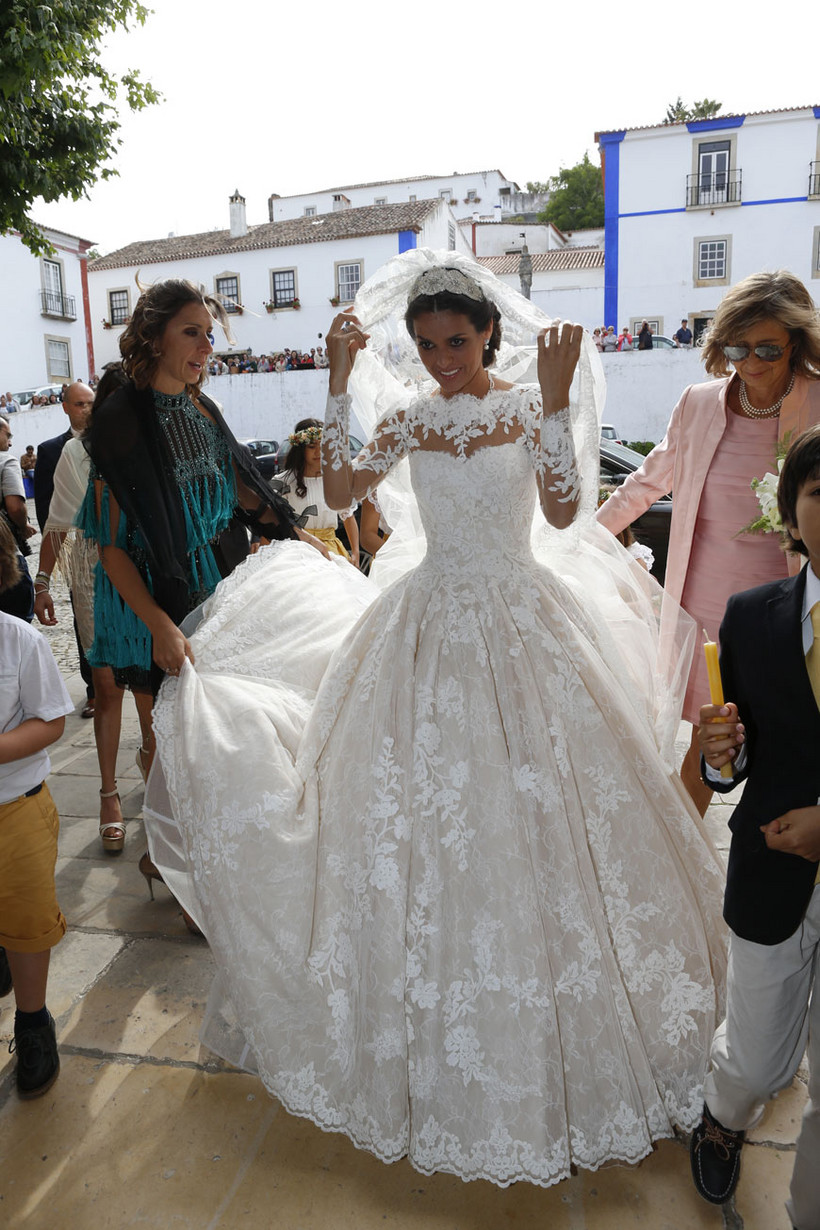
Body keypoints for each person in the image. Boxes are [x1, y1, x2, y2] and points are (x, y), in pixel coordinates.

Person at [144, 249, 726, 1189]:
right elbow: (338, 495)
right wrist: (336, 384)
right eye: (424, 345)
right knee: (404, 832)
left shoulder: (524, 400)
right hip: (420, 627)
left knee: (544, 826)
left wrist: (550, 400)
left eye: (456, 340)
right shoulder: (413, 414)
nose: (441, 357)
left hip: (520, 619)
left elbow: (566, 507)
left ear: (489, 331)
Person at [77, 279, 300, 910]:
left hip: (211, 581)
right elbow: (111, 547)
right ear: (153, 336)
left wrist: (290, 533)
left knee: (208, 730)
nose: (207, 346)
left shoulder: (203, 408)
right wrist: (158, 625)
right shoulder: (119, 421)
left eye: (210, 333)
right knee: (170, 736)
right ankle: (174, 859)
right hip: (149, 596)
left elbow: (243, 485)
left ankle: (183, 853)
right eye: (192, 333)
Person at [598, 270, 820, 815]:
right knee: (708, 732)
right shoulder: (698, 402)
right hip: (704, 604)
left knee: (791, 732)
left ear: (797, 341)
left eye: (768, 347)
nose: (751, 361)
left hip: (795, 603)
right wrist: (584, 539)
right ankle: (685, 860)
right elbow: (649, 480)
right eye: (736, 346)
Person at [691, 424, 820, 1229]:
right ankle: (721, 1116)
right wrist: (716, 758)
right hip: (771, 879)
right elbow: (734, 760)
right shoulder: (750, 616)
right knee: (756, 1055)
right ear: (794, 515)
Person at [34, 365, 154, 853]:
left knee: (148, 689)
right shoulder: (75, 452)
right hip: (89, 568)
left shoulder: (152, 446)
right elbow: (57, 524)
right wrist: (42, 582)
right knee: (106, 687)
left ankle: (158, 786)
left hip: (142, 568)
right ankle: (109, 795)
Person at [0, 517, 74, 1099]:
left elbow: (51, 719)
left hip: (15, 810)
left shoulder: (19, 642)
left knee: (27, 921)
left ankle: (32, 1022)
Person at [34, 381, 96, 717]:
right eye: (79, 404)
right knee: (82, 619)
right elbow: (48, 511)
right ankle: (94, 689)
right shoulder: (51, 449)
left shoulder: (111, 442)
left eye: (90, 403)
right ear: (66, 407)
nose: (86, 410)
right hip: (77, 548)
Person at [273, 418, 359, 564]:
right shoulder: (283, 482)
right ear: (300, 449)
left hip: (329, 551)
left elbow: (348, 517)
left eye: (323, 446)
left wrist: (355, 552)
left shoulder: (336, 481)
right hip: (296, 552)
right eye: (312, 447)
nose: (319, 452)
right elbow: (272, 519)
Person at [0, 415, 35, 621]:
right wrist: (23, 526)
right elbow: (15, 505)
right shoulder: (6, 460)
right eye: (8, 435)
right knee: (18, 623)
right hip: (5, 556)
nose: (11, 442)